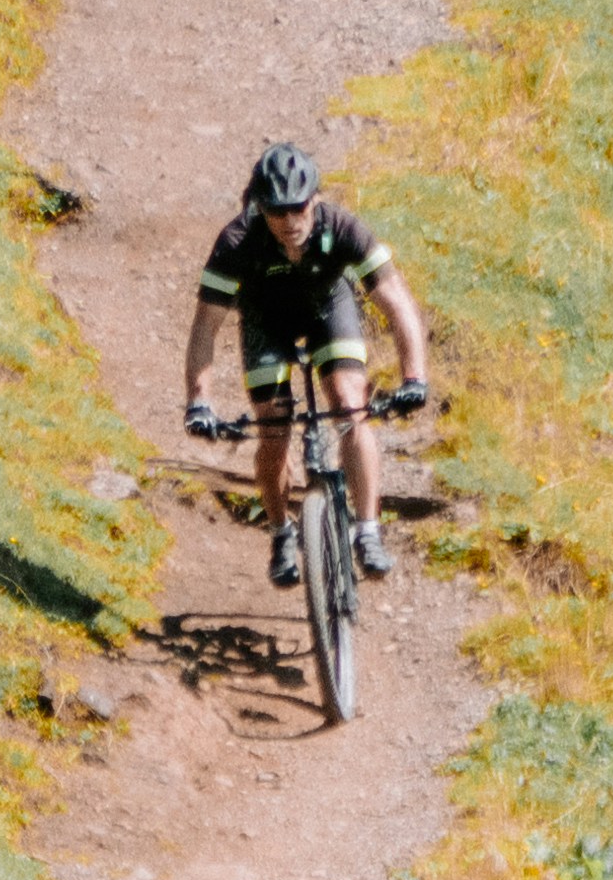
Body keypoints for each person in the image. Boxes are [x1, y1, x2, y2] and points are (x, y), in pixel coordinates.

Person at [184, 142, 437, 586]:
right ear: (260, 207)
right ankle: (282, 530)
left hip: (328, 309)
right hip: (267, 321)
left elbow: (397, 304)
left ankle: (368, 529)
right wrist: (199, 401)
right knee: (274, 425)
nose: (289, 221)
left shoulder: (343, 228)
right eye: (276, 211)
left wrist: (414, 377)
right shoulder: (237, 241)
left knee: (349, 403)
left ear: (315, 199)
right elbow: (206, 326)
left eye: (298, 208)